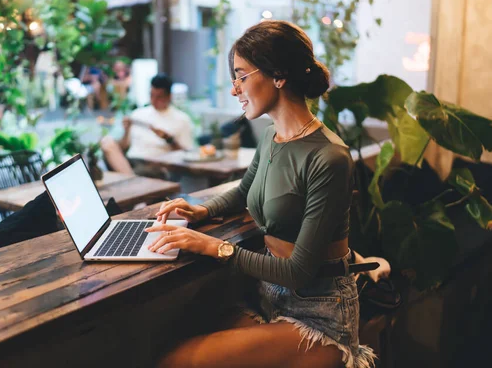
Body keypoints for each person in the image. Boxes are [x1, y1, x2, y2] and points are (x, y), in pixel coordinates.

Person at [145, 21, 377, 368]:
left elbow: (298, 271)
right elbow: (243, 192)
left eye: (240, 75)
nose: (234, 88)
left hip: (320, 315)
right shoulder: (272, 136)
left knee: (177, 360)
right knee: (171, 330)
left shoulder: (329, 157)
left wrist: (213, 246)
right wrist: (201, 211)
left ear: (278, 75)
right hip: (270, 297)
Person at [101, 73, 194, 178]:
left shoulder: (181, 119)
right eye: (151, 95)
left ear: (169, 96)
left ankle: (130, 179)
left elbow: (187, 154)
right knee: (107, 141)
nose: (153, 100)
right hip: (130, 161)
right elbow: (124, 146)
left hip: (155, 164)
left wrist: (168, 139)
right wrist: (127, 130)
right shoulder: (138, 114)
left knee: (145, 170)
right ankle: (132, 179)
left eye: (159, 97)